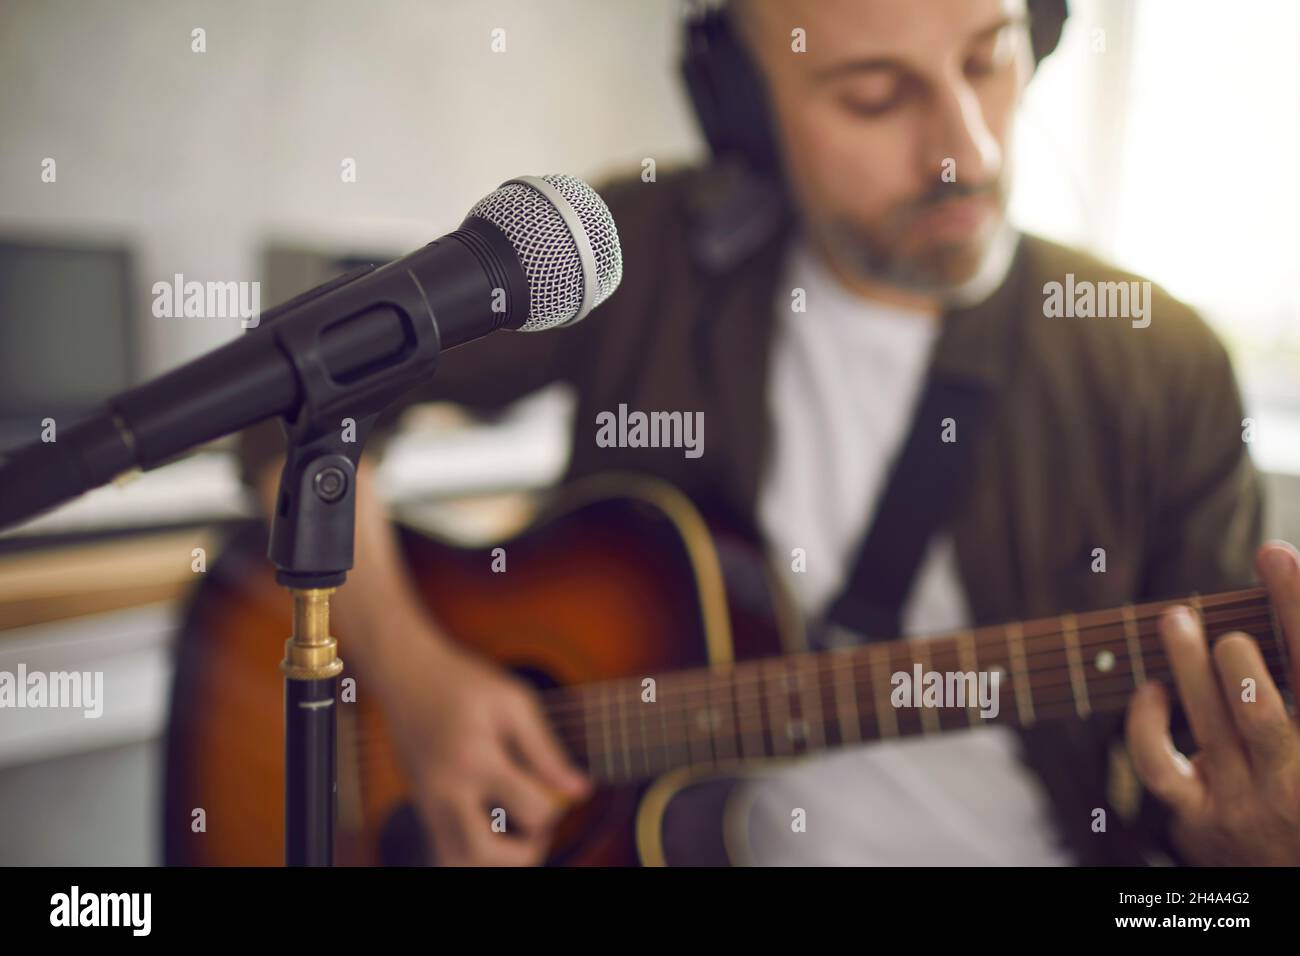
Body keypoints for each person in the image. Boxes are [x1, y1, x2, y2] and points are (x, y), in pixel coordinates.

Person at [238, 0, 1300, 865]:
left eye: (989, 58)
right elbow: (288, 393)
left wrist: (1242, 850)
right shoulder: (637, 253)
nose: (965, 153)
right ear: (744, 108)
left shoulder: (1158, 360)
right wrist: (416, 682)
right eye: (874, 95)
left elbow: (1214, 770)